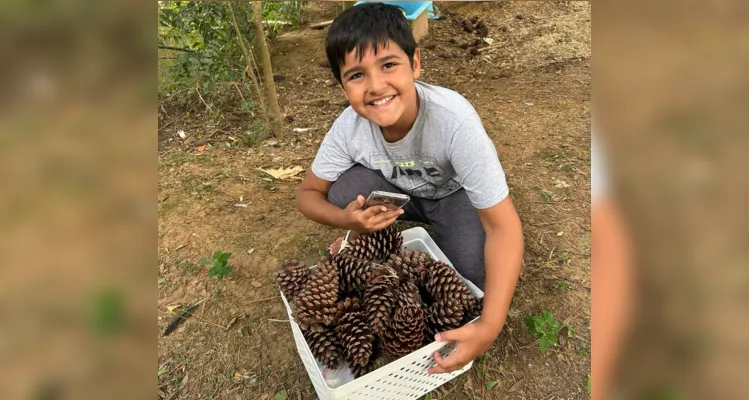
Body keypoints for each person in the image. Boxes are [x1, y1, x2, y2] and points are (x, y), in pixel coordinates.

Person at [295, 3, 524, 374]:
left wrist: (489, 327)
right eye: (356, 75)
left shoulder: (454, 121)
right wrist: (345, 219)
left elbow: (504, 226)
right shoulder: (348, 128)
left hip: (453, 197)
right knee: (343, 189)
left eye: (388, 65)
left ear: (415, 63)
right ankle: (398, 234)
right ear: (342, 85)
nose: (375, 86)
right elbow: (307, 195)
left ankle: (448, 233)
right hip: (401, 198)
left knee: (478, 274)